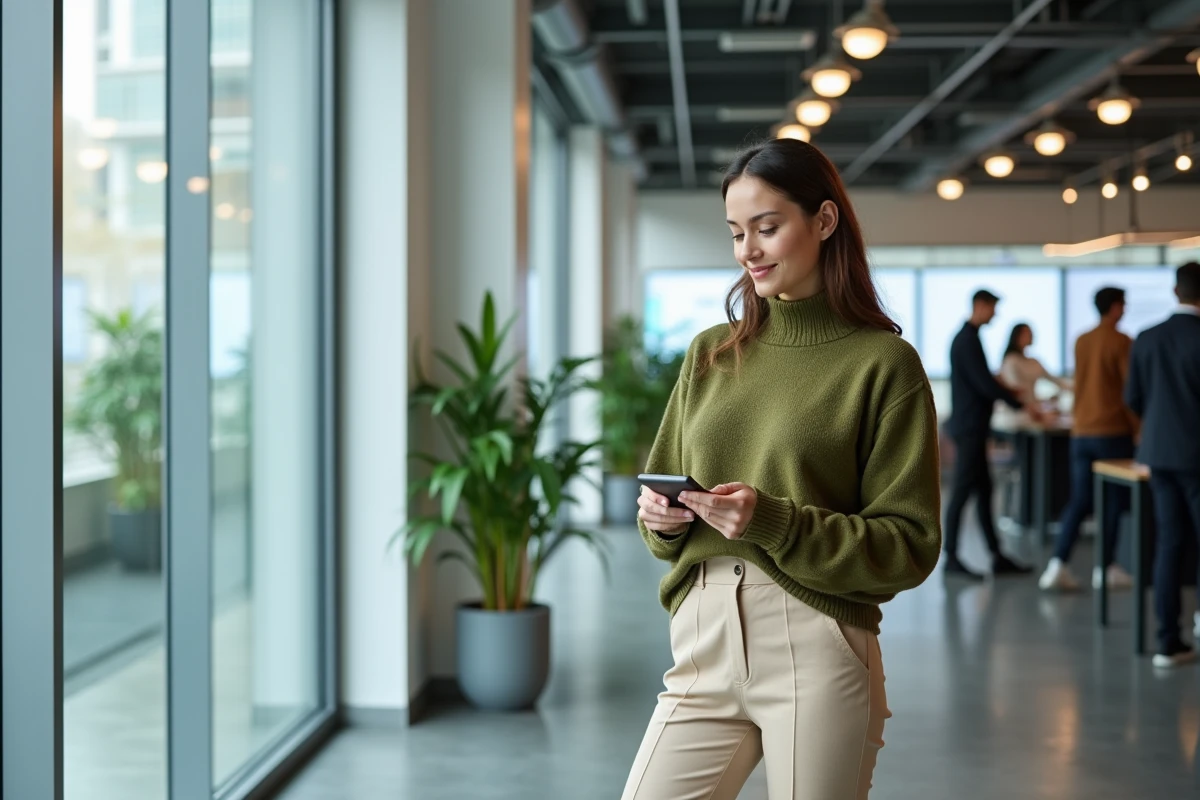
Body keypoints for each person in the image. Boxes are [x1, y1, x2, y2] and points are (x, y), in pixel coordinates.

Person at [622, 139, 941, 800]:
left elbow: (908, 546)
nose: (748, 250)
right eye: (738, 233)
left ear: (824, 222)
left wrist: (772, 521)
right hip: (703, 637)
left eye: (767, 228)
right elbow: (660, 507)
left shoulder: (882, 365)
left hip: (815, 641)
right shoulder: (710, 353)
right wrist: (663, 520)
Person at [1125, 262, 1200, 669]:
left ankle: (1167, 642)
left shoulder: (1147, 337)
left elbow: (1133, 397)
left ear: (1175, 291)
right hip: (1196, 455)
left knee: (1169, 544)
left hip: (1158, 454)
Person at [1039, 288, 1137, 592]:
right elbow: (1129, 390)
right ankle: (1105, 567)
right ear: (1116, 308)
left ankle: (1058, 563)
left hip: (1081, 431)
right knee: (1112, 502)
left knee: (1080, 500)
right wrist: (1138, 428)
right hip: (1112, 431)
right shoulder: (1122, 341)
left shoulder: (1082, 340)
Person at [943, 290, 1033, 580]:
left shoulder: (970, 338)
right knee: (961, 493)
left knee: (984, 491)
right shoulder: (967, 340)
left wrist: (1007, 392)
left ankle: (996, 556)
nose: (994, 315)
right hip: (969, 429)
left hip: (973, 428)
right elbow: (983, 383)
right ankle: (952, 558)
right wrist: (1016, 400)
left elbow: (982, 379)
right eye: (992, 309)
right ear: (980, 306)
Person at [994, 322, 1073, 429]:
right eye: (1027, 333)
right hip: (1018, 412)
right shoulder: (1011, 361)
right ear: (1017, 336)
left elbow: (1056, 380)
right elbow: (1017, 391)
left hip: (1033, 409)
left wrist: (1074, 387)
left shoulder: (1033, 362)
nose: (1031, 336)